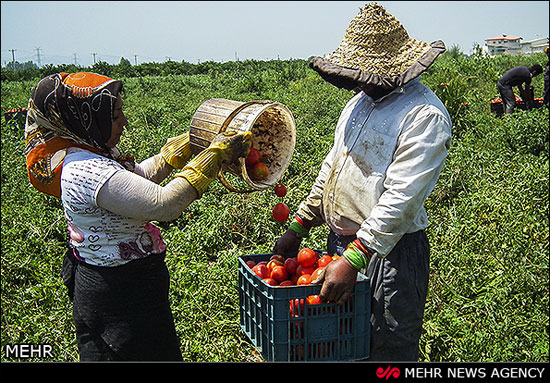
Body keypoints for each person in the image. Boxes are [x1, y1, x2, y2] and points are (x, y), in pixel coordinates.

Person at [24, 72, 251, 361]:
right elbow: (164, 203)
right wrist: (211, 157)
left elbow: (135, 179)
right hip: (117, 293)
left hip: (126, 284)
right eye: (116, 115)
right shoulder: (85, 170)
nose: (125, 122)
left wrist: (173, 155)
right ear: (85, 118)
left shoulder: (92, 151)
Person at [274, 3, 452, 361]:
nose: (356, 81)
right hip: (340, 247)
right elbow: (334, 166)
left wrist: (356, 256)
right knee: (340, 339)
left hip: (390, 253)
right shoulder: (358, 103)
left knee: (387, 346)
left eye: (363, 74)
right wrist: (300, 223)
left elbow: (401, 200)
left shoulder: (424, 116)